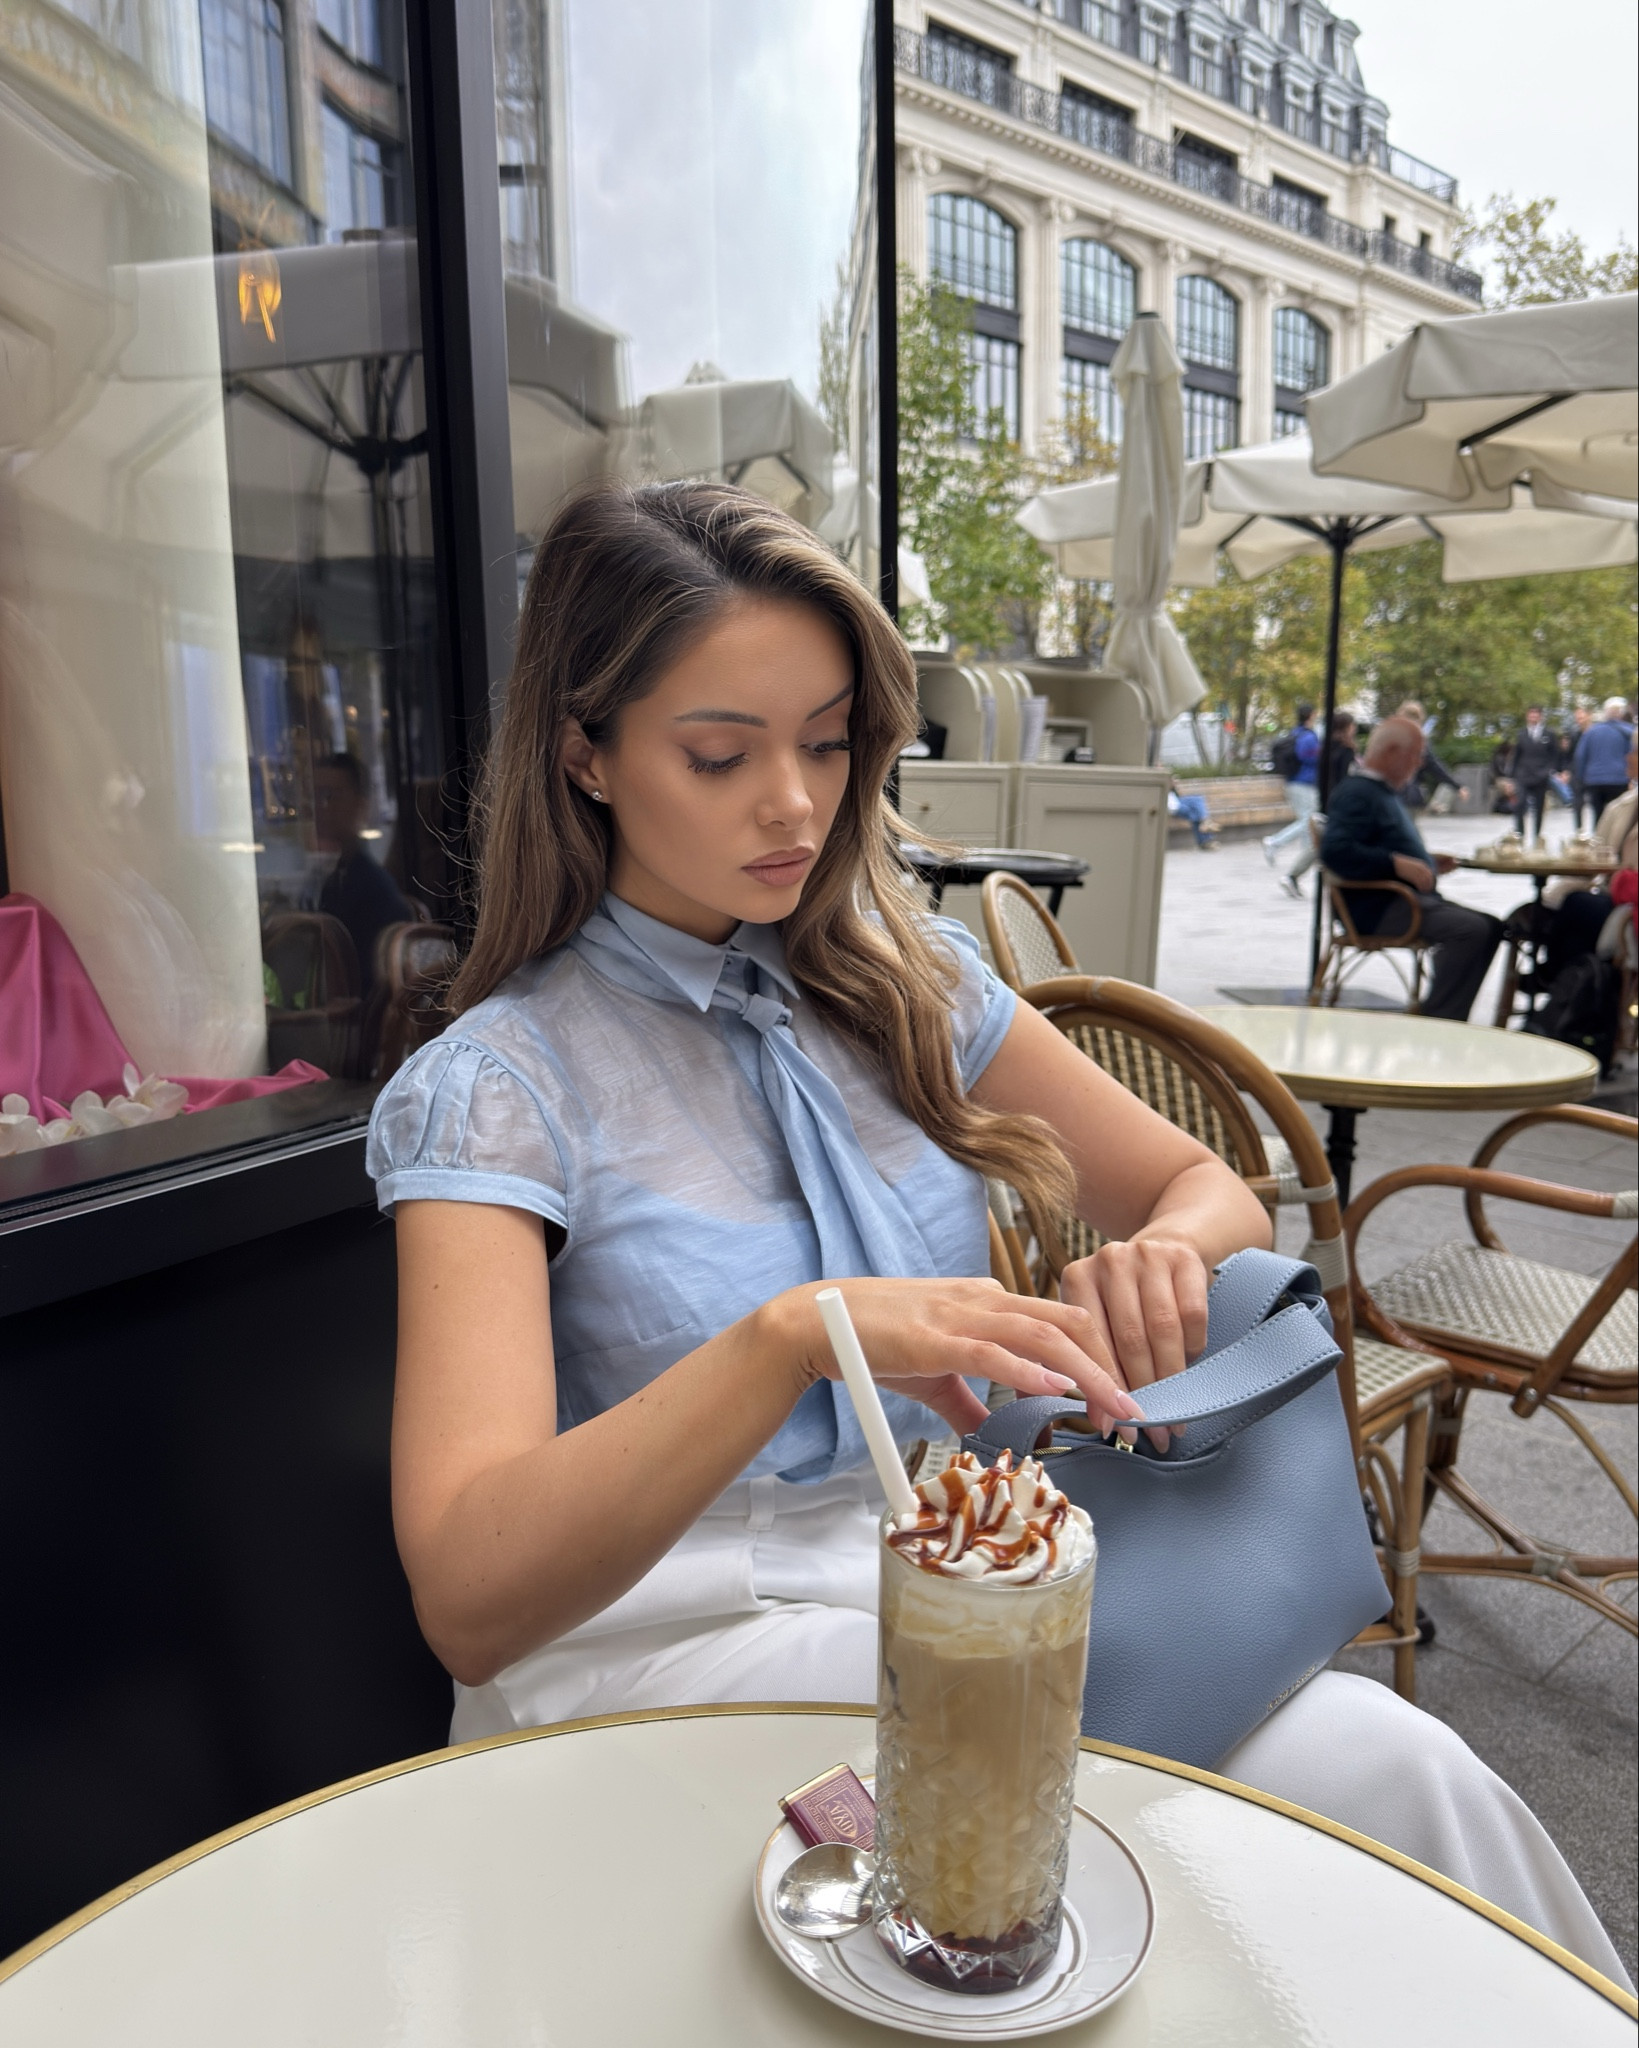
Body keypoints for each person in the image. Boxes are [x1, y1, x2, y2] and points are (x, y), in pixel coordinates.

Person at [366, 482, 1627, 1987]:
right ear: (585, 755)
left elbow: (1205, 1188)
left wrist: (1158, 1250)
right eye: (720, 754)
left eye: (828, 741)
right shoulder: (495, 1090)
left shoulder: (902, 978)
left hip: (959, 1564)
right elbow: (466, 1595)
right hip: (678, 1635)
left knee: (1393, 1772)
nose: (794, 802)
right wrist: (795, 1338)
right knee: (1320, 1796)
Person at [1320, 718, 1503, 1023]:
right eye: (1415, 755)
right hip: (1378, 907)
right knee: (1471, 930)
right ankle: (1439, 1020)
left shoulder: (1378, 792)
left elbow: (1375, 845)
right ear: (1391, 752)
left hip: (1400, 899)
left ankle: (1446, 1014)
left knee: (1492, 926)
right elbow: (1336, 851)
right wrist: (1396, 863)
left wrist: (1426, 862)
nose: (1419, 764)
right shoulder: (1358, 792)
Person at [313, 750, 413, 991]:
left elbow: (373, 989)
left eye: (330, 796)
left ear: (360, 805)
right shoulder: (333, 880)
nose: (320, 808)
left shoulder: (373, 889)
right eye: (315, 796)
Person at [1260, 701, 1319, 884]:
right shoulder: (1308, 737)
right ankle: (1275, 842)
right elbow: (1308, 757)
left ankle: (1305, 852)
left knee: (1307, 819)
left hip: (1294, 782)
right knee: (1309, 821)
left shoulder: (1295, 733)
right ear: (1310, 715)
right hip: (1303, 783)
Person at [1393, 700, 1466, 814]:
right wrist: (1456, 786)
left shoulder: (1389, 739)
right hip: (1407, 796)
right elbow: (1435, 767)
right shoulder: (1419, 743)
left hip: (1391, 795)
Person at [1573, 697, 1637, 825]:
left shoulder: (1591, 732)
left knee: (1598, 816)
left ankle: (1599, 840)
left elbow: (1580, 756)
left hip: (1594, 779)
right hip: (1619, 779)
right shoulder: (1629, 732)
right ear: (1621, 713)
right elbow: (1633, 754)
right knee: (1620, 817)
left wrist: (1581, 777)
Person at [1503, 707, 1559, 844]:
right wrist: (1510, 777)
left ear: (1540, 717)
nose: (1533, 717)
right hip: (1523, 775)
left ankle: (1537, 835)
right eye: (1531, 715)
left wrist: (1548, 771)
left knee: (1539, 807)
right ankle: (1520, 834)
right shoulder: (1521, 734)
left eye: (1536, 715)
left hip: (1541, 776)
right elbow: (1516, 756)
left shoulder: (1549, 734)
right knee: (1520, 804)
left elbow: (1555, 756)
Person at [1167, 777, 1218, 850]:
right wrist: (1170, 784)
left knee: (1196, 805)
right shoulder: (1157, 776)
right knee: (1197, 804)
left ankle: (1205, 830)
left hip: (1175, 801)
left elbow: (1175, 793)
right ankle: (1205, 827)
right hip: (1173, 806)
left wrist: (1173, 785)